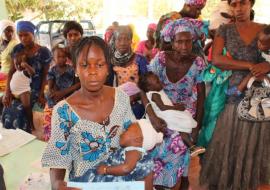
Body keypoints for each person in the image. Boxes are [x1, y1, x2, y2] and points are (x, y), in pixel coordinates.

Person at [41, 36, 153, 190]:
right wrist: (56, 183)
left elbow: (133, 136)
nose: (92, 72)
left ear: (108, 68)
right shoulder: (63, 112)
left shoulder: (120, 98)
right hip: (86, 182)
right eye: (85, 65)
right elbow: (57, 158)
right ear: (75, 69)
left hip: (122, 177)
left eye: (100, 65)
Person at [200, 0, 270, 189]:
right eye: (234, 4)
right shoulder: (224, 30)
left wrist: (267, 65)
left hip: (258, 96)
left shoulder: (265, 29)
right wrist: (250, 65)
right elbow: (217, 59)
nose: (238, 8)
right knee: (227, 141)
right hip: (232, 93)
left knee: (253, 141)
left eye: (243, 3)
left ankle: (246, 182)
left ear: (251, 4)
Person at [146, 18, 206, 190]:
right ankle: (159, 183)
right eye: (179, 41)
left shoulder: (198, 63)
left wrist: (197, 124)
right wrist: (152, 114)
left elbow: (202, 94)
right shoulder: (161, 59)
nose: (185, 46)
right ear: (171, 42)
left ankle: (172, 182)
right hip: (160, 107)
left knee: (177, 144)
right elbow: (145, 86)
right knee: (155, 145)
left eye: (188, 41)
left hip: (186, 112)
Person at [73, 120, 163, 190]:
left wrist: (105, 170)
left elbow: (126, 168)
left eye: (127, 130)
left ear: (138, 139)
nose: (122, 132)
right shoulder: (128, 151)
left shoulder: (134, 151)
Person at [138, 72, 205, 157]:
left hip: (168, 112)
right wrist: (176, 108)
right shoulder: (154, 94)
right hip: (165, 114)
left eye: (158, 79)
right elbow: (162, 107)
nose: (160, 82)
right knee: (184, 122)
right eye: (157, 82)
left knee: (182, 128)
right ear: (149, 87)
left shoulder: (157, 90)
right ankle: (192, 146)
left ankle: (192, 147)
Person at [2, 21, 52, 133]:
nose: (23, 38)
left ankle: (28, 133)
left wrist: (41, 94)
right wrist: (7, 92)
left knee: (20, 110)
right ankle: (12, 138)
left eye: (26, 35)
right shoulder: (17, 49)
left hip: (35, 89)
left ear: (33, 34)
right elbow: (11, 71)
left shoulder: (44, 52)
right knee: (8, 105)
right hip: (18, 87)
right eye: (20, 35)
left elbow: (45, 75)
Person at [43, 45, 80, 141]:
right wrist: (51, 90)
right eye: (59, 57)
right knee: (49, 112)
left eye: (64, 56)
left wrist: (62, 93)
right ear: (53, 58)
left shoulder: (71, 69)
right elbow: (50, 83)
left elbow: (77, 85)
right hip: (56, 97)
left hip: (69, 96)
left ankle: (66, 137)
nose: (62, 59)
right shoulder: (53, 70)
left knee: (66, 117)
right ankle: (50, 136)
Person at [110, 25, 148, 119]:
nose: (123, 43)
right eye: (119, 39)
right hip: (115, 103)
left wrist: (134, 97)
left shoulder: (140, 60)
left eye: (126, 39)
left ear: (131, 41)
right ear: (114, 41)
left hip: (137, 102)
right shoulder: (109, 61)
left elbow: (147, 84)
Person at [9, 51, 35, 131]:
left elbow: (33, 73)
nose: (18, 66)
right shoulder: (16, 72)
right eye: (16, 64)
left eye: (20, 63)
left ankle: (31, 124)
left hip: (23, 92)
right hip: (14, 92)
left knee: (27, 106)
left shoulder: (25, 71)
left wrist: (26, 66)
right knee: (3, 99)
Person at [0, 20, 18, 95]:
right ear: (1, 30)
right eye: (7, 31)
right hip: (2, 74)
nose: (10, 34)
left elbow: (15, 66)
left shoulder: (15, 44)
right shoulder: (1, 42)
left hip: (11, 75)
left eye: (12, 31)